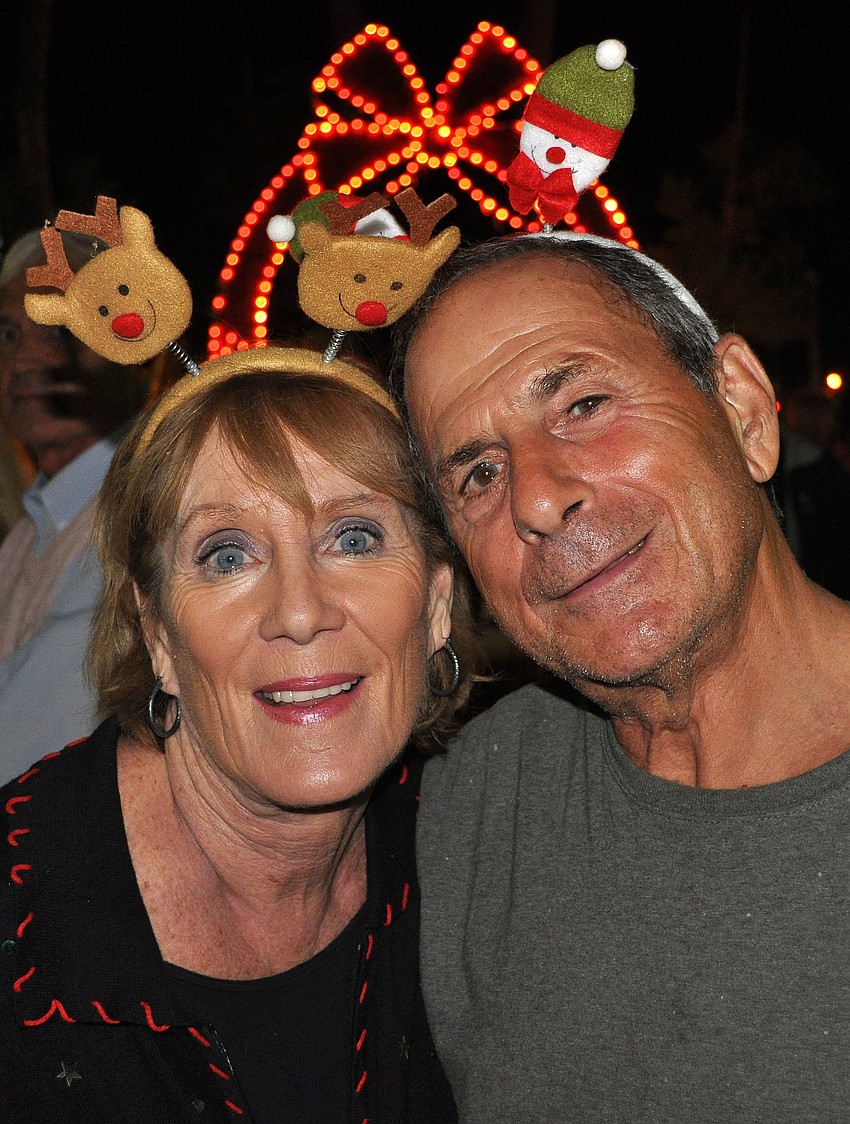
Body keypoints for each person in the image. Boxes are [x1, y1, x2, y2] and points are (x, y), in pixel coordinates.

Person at [395, 233, 850, 1122]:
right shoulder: (454, 812)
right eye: (478, 473)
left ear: (744, 412)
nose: (534, 496)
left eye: (584, 403)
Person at [0, 351, 472, 1121]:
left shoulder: (474, 858)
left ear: (438, 602)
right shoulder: (25, 915)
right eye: (227, 555)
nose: (299, 610)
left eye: (353, 538)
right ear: (155, 633)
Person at [0, 229, 150, 780]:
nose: (25, 358)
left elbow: (30, 737)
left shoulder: (145, 514)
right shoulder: (32, 528)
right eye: (9, 332)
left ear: (132, 347)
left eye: (60, 327)